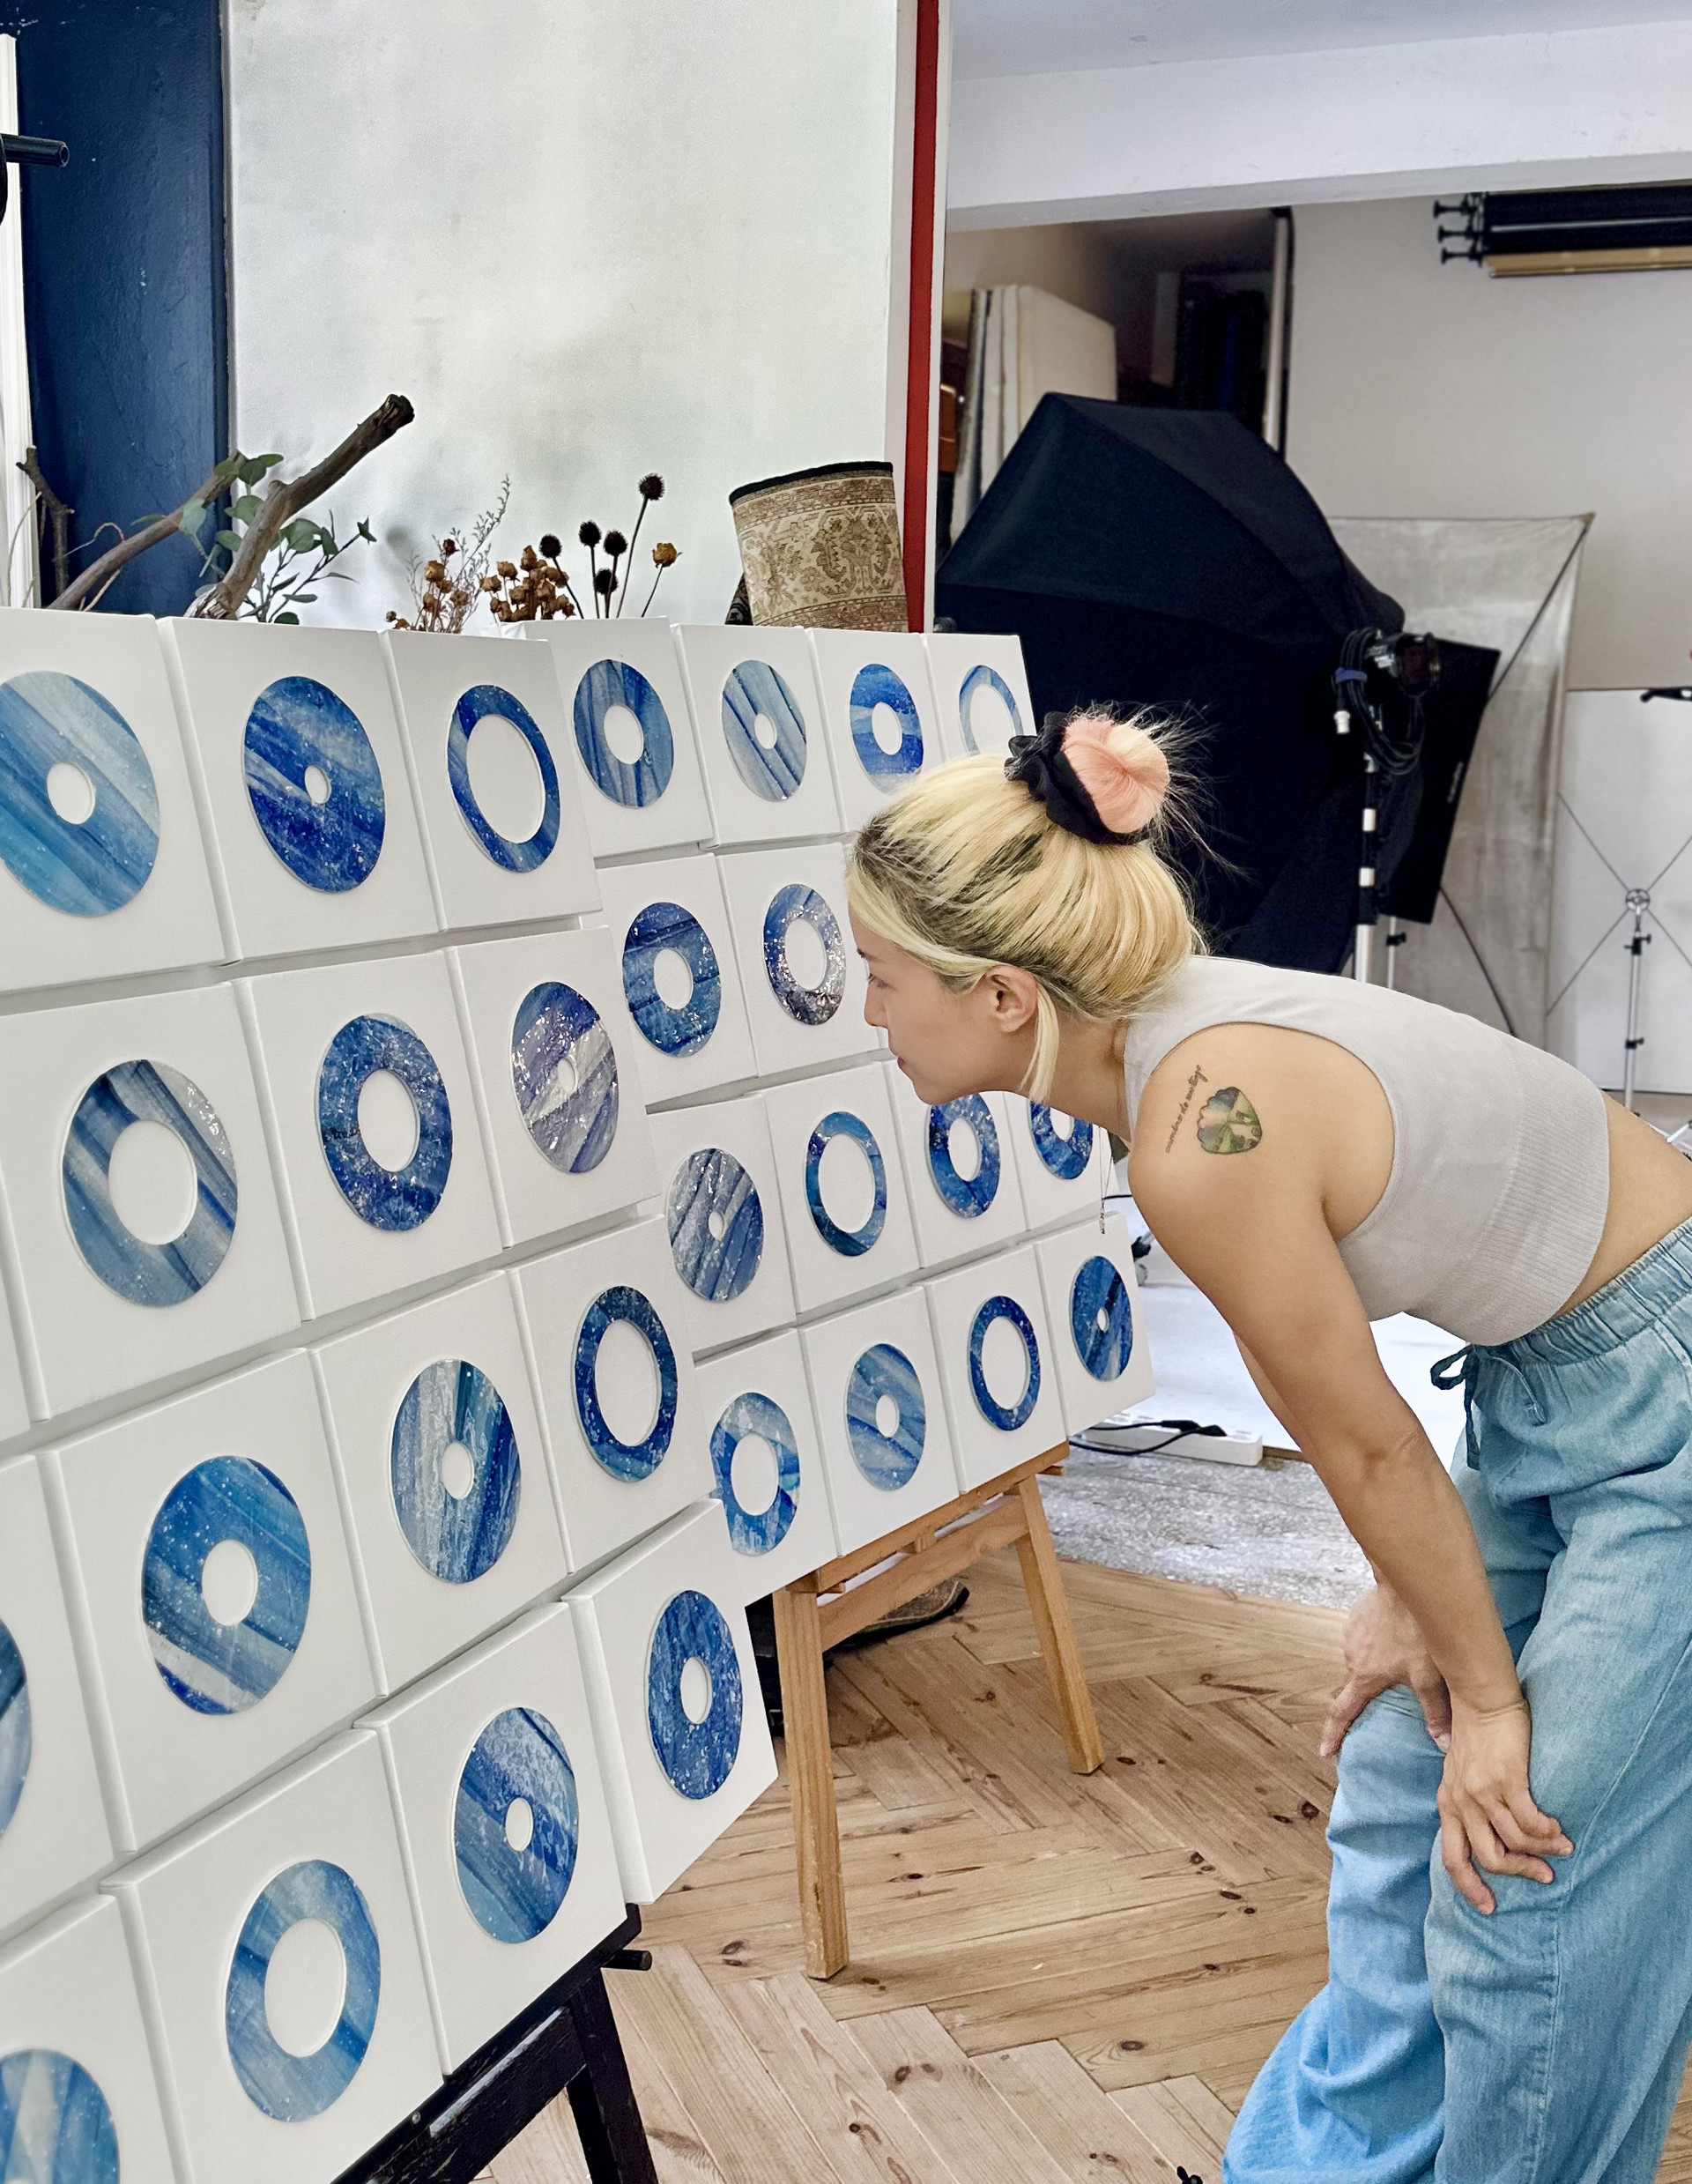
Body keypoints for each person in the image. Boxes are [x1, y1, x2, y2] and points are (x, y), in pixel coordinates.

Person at [844, 706, 1692, 2184]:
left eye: (882, 975)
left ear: (999, 996)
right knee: (1398, 1762)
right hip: (1555, 1373)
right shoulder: (1173, 1039)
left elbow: (1367, 1451)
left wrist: (1493, 1694)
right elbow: (1356, 1406)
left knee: (1523, 1852)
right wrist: (1410, 1600)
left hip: (1664, 1385)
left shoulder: (1195, 1137)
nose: (869, 1013)